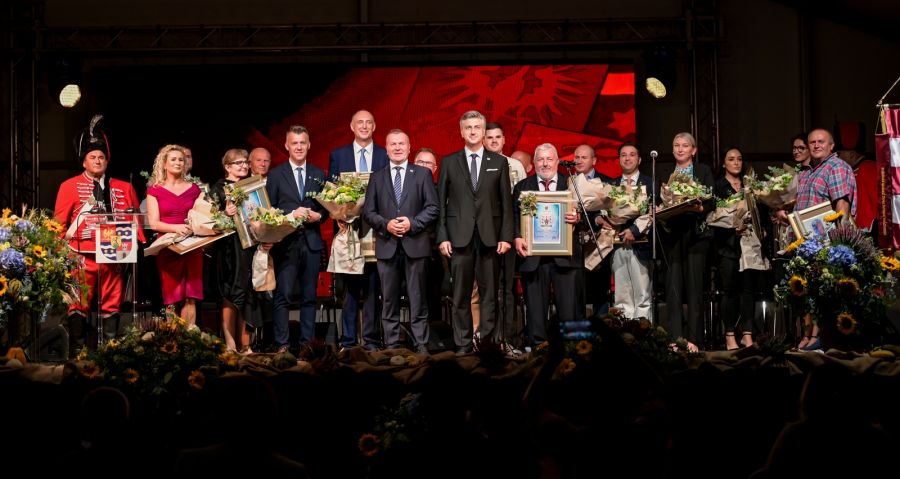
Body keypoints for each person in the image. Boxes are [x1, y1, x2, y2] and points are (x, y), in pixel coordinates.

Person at [54, 115, 143, 353]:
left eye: (101, 157)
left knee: (112, 302)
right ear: (84, 162)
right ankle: (78, 352)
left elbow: (136, 221)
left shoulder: (124, 187)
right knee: (78, 303)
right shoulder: (68, 186)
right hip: (80, 255)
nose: (97, 160)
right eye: (92, 157)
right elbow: (58, 225)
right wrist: (61, 254)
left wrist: (136, 242)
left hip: (114, 254)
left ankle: (109, 352)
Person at [437, 110, 514, 355]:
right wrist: (442, 236)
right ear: (461, 132)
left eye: (477, 127)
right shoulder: (449, 162)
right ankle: (463, 343)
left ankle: (487, 343)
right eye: (468, 127)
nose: (472, 131)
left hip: (490, 237)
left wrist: (506, 236)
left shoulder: (499, 162)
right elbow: (441, 203)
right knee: (460, 295)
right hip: (459, 238)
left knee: (490, 294)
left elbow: (506, 203)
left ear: (483, 131)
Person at [363, 129, 439, 353]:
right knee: (388, 301)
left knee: (418, 299)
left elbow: (433, 208)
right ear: (386, 149)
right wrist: (386, 224)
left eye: (401, 144)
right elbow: (369, 212)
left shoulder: (422, 174)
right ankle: (393, 346)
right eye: (393, 144)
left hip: (416, 245)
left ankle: (421, 344)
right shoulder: (377, 177)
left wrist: (412, 223)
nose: (397, 147)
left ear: (409, 147)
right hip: (387, 246)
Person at [327, 110, 388, 352]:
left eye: (368, 122)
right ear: (351, 126)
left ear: (374, 126)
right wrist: (338, 215)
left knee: (373, 288)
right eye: (359, 122)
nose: (364, 126)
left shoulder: (384, 154)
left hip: (376, 231)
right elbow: (332, 191)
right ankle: (349, 342)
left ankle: (371, 341)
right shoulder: (338, 155)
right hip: (349, 230)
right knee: (350, 289)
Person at [792, 128, 857, 351]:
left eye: (821, 141)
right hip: (808, 243)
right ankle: (810, 337)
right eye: (812, 142)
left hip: (829, 242)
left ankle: (822, 339)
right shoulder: (807, 173)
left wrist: (840, 242)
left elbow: (842, 205)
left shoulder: (836, 167)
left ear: (831, 145)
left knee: (826, 291)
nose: (816, 145)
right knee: (810, 292)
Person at [513, 143, 582, 348]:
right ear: (534, 163)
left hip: (565, 258)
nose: (545, 163)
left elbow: (590, 216)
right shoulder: (522, 187)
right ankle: (539, 351)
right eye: (540, 159)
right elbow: (514, 217)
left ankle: (571, 351)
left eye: (549, 159)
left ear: (557, 161)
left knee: (569, 311)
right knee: (535, 311)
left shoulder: (571, 184)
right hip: (533, 258)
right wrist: (517, 237)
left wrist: (578, 218)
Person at [266, 125, 327, 354]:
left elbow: (327, 209)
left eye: (303, 143)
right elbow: (269, 211)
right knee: (283, 295)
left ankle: (306, 346)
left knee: (309, 298)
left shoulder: (318, 174)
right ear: (287, 146)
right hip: (286, 243)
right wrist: (291, 215)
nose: (299, 147)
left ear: (309, 145)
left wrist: (319, 216)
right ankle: (282, 345)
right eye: (295, 143)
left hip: (311, 243)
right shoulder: (276, 175)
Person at [657, 132, 715, 351]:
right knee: (673, 288)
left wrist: (700, 207)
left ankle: (693, 340)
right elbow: (656, 199)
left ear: (693, 150)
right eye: (676, 145)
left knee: (694, 288)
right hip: (672, 234)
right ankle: (675, 338)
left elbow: (712, 199)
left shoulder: (703, 171)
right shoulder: (664, 172)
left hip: (696, 234)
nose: (680, 149)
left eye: (685, 145)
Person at [712, 147, 764, 350]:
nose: (736, 162)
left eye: (739, 159)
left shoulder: (749, 186)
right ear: (723, 163)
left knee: (748, 290)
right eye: (731, 159)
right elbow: (712, 218)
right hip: (728, 246)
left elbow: (761, 213)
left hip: (749, 245)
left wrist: (762, 229)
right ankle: (730, 335)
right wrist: (732, 229)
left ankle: (747, 334)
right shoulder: (718, 186)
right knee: (730, 290)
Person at [146, 144, 203, 326]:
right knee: (171, 295)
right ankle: (173, 338)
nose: (178, 162)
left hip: (192, 247)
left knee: (191, 295)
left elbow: (201, 216)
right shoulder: (155, 190)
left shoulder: (195, 189)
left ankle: (190, 336)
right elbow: (154, 223)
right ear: (164, 163)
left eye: (181, 160)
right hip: (169, 247)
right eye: (173, 159)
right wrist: (176, 228)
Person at [484, 122, 526, 350]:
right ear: (483, 140)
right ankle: (488, 341)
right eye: (489, 137)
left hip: (508, 234)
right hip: (483, 234)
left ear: (504, 140)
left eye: (497, 137)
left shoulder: (515, 165)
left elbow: (523, 201)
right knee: (487, 289)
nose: (493, 141)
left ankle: (509, 339)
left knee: (507, 289)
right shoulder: (477, 164)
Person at [608, 143, 659, 321]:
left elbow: (653, 212)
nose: (627, 158)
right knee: (622, 296)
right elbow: (603, 212)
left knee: (642, 295)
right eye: (623, 155)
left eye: (631, 155)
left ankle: (642, 334)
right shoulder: (612, 185)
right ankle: (624, 333)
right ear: (619, 159)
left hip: (641, 246)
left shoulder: (650, 183)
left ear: (639, 160)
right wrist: (602, 219)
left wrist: (634, 230)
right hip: (618, 245)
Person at [211, 149, 254, 353]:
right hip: (229, 249)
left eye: (246, 162)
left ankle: (245, 344)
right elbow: (209, 219)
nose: (244, 166)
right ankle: (230, 344)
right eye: (238, 163)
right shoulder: (219, 188)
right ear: (227, 166)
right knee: (230, 294)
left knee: (247, 295)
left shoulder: (252, 185)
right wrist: (224, 213)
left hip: (249, 246)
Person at [572, 144, 613, 318]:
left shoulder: (607, 182)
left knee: (600, 291)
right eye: (577, 157)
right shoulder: (567, 181)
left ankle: (601, 329)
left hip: (600, 244)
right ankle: (578, 331)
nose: (579, 161)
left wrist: (598, 219)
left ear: (594, 160)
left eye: (584, 157)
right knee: (575, 291)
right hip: (574, 244)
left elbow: (612, 211)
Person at [247, 147, 275, 351]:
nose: (263, 164)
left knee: (269, 294)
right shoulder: (242, 186)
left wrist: (271, 237)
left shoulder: (274, 183)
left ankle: (268, 339)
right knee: (251, 294)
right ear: (250, 163)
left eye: (266, 160)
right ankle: (249, 340)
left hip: (270, 247)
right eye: (259, 160)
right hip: (247, 246)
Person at [415, 148, 446, 326]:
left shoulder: (441, 190)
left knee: (434, 297)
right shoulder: (403, 189)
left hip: (433, 252)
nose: (424, 166)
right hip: (408, 250)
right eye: (420, 162)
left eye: (428, 163)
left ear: (435, 168)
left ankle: (434, 334)